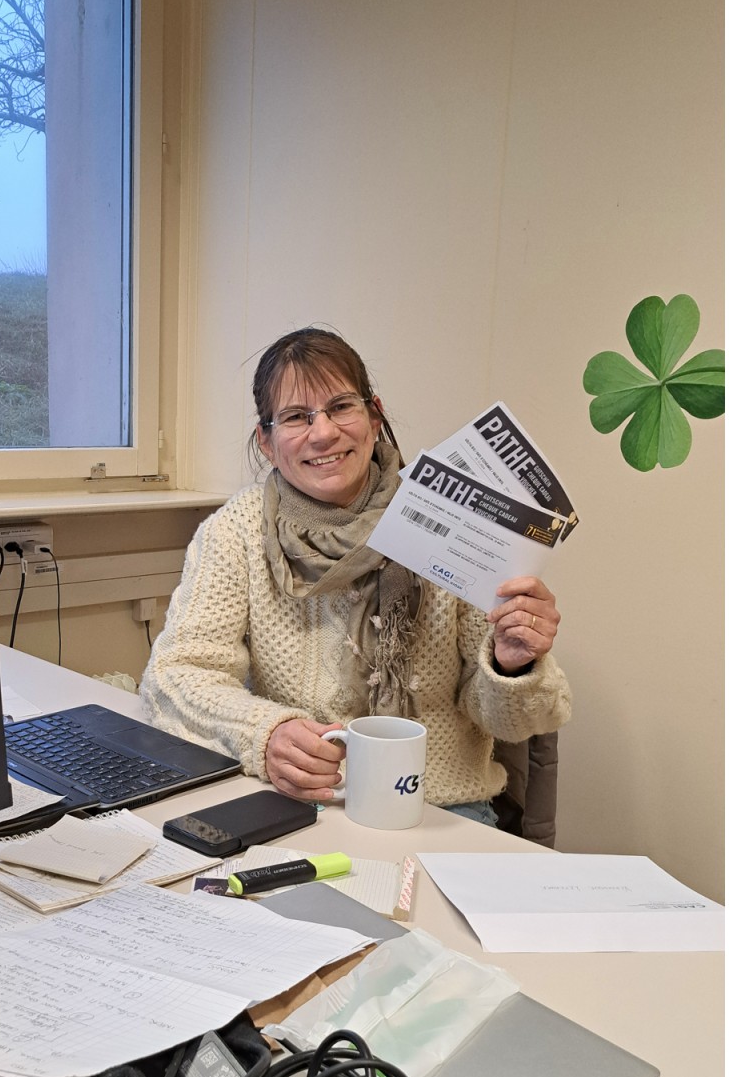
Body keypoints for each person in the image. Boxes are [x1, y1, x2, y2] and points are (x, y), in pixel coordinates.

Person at [141, 328, 569, 825]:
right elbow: (174, 675)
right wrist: (266, 733)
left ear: (373, 414)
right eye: (297, 417)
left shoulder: (452, 523)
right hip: (297, 803)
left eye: (341, 406)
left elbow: (520, 723)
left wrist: (511, 666)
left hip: (438, 809)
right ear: (266, 440)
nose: (323, 433)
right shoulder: (234, 533)